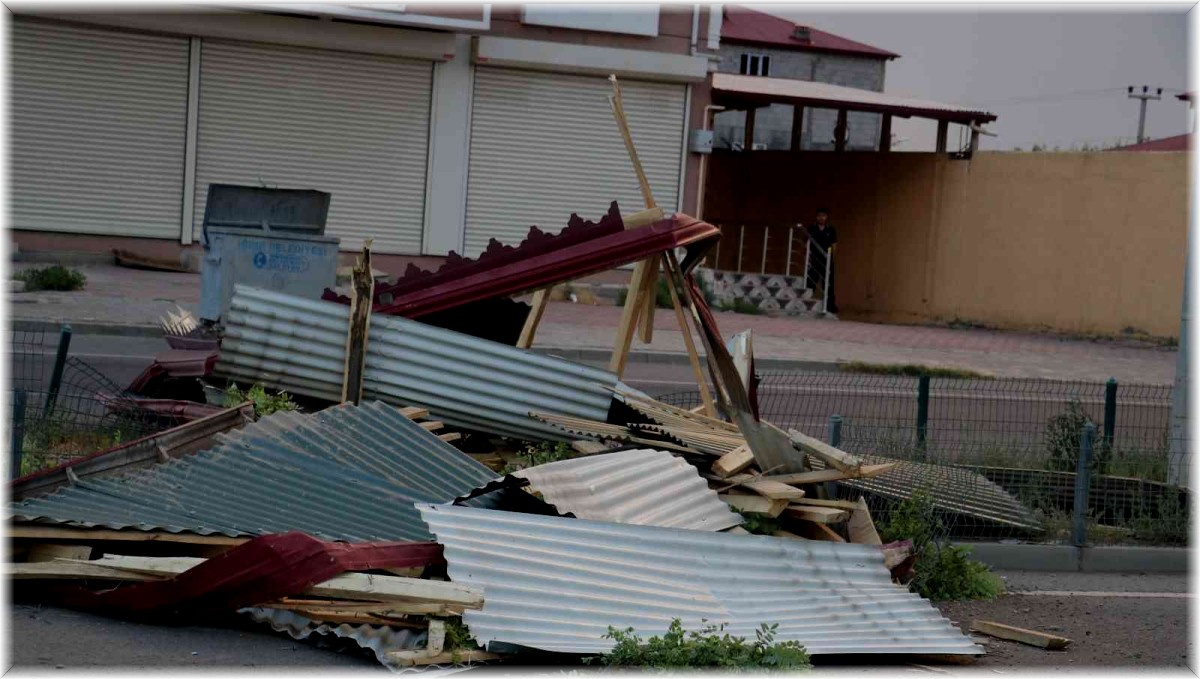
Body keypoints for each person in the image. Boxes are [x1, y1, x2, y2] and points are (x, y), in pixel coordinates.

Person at [803, 207, 838, 315]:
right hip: (814, 260)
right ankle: (805, 304)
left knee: (828, 284)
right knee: (810, 282)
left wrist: (832, 258)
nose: (821, 218)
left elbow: (834, 245)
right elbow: (806, 243)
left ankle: (830, 307)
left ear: (826, 217)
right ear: (816, 217)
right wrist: (807, 257)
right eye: (819, 216)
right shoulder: (812, 228)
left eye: (823, 216)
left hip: (827, 260)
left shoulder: (831, 229)